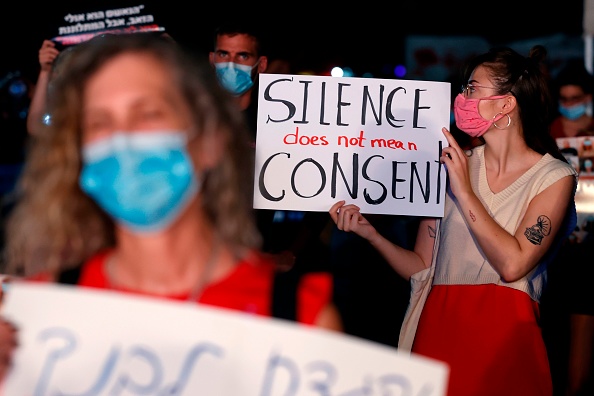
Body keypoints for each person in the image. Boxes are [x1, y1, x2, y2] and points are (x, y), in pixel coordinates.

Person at [0, 32, 342, 380]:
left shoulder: (297, 317)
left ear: (210, 141)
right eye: (99, 122)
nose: (124, 138)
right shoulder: (42, 314)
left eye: (148, 114)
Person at [329, 45, 578, 396]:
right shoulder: (450, 167)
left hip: (505, 339)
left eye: (473, 88)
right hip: (439, 329)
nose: (462, 97)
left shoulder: (553, 176)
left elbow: (513, 264)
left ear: (506, 103)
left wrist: (464, 191)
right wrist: (372, 235)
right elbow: (421, 266)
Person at [209, 22, 335, 322]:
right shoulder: (193, 118)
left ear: (260, 64)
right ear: (211, 59)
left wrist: (292, 251)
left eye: (243, 56)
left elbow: (318, 189)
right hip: (201, 265)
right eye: (224, 54)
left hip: (261, 269)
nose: (231, 64)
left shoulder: (282, 124)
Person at [550, 59, 594, 139]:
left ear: (588, 97)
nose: (569, 104)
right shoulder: (550, 129)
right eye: (564, 99)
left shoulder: (592, 127)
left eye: (575, 99)